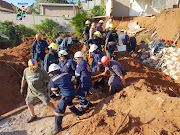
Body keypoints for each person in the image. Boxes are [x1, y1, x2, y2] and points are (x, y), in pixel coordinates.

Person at [48, 64, 82, 135]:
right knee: (70, 104)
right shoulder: (67, 74)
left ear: (53, 71)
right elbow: (74, 81)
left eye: (51, 72)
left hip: (66, 95)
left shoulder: (53, 79)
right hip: (73, 93)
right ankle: (78, 113)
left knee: (58, 110)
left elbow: (54, 90)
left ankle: (58, 128)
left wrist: (58, 94)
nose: (51, 74)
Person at [20, 59, 56, 123]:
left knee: (47, 103)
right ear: (29, 67)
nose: (34, 69)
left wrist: (52, 87)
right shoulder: (26, 71)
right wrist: (22, 87)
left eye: (35, 67)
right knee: (29, 103)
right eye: (33, 68)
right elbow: (24, 79)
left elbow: (49, 79)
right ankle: (33, 116)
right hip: (31, 91)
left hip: (41, 91)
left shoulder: (42, 72)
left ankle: (57, 111)